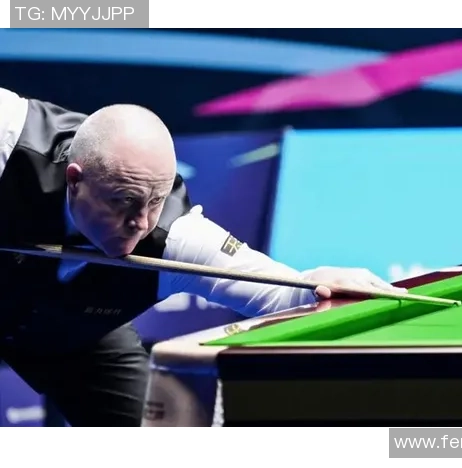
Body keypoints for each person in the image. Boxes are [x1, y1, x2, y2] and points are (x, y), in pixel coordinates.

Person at [0, 86, 407, 427]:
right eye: (123, 200)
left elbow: (280, 294)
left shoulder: (178, 239)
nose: (140, 222)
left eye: (155, 201)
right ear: (75, 180)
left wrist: (321, 286)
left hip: (77, 335)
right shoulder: (10, 139)